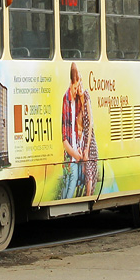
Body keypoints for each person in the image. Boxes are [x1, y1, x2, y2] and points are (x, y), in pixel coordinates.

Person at [61, 63, 97, 199]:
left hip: (86, 146)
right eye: (76, 87)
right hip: (74, 153)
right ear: (71, 83)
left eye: (79, 86)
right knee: (73, 179)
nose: (77, 90)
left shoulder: (84, 98)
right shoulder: (68, 99)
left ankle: (87, 199)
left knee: (84, 175)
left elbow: (88, 127)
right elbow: (67, 135)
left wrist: (85, 150)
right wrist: (76, 154)